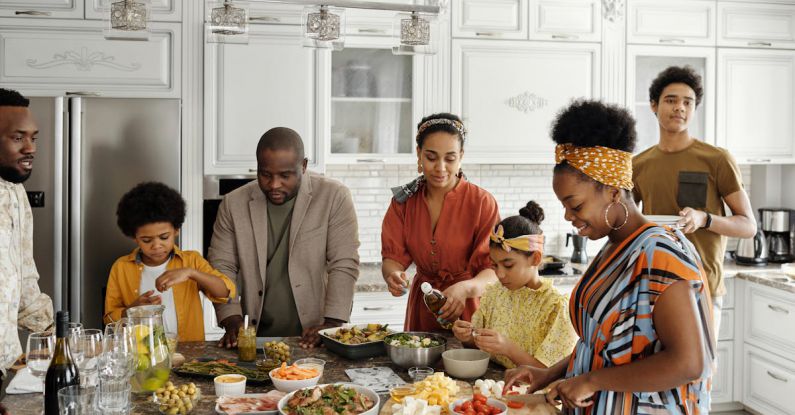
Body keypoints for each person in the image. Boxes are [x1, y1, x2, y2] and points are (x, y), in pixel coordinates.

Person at [505, 100, 715, 414]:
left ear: (613, 192)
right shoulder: (614, 246)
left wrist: (593, 381)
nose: (568, 216)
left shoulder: (662, 256)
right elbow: (601, 345)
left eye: (575, 205)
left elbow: (689, 363)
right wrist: (549, 374)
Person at [209, 127, 360, 348]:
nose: (274, 185)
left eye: (285, 176)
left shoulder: (334, 197)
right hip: (256, 336)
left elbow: (344, 262)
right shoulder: (233, 204)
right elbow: (222, 266)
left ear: (304, 166)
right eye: (265, 174)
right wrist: (230, 318)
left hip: (315, 334)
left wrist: (333, 323)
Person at [633, 66, 756, 334]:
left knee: (700, 373)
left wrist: (705, 218)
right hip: (654, 287)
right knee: (655, 373)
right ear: (654, 106)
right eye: (671, 100)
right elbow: (626, 223)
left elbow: (748, 226)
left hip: (702, 286)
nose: (680, 108)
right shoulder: (639, 165)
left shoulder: (717, 159)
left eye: (687, 102)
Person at [382, 113, 499, 332]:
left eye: (450, 158)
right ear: (419, 154)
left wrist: (464, 289)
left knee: (467, 364)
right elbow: (392, 258)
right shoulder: (403, 203)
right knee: (420, 366)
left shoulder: (482, 203)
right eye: (431, 157)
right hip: (422, 307)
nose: (441, 167)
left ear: (461, 156)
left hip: (470, 309)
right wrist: (393, 275)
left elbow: (493, 271)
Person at [104, 182, 235, 342]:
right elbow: (109, 319)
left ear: (176, 230)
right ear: (134, 237)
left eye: (164, 237)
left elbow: (225, 292)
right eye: (146, 240)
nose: (156, 245)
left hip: (188, 353)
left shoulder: (191, 261)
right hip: (140, 354)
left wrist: (191, 273)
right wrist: (132, 311)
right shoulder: (121, 267)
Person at [452, 201, 577, 369]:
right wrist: (468, 338)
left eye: (508, 265)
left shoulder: (556, 308)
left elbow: (550, 374)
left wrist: (508, 348)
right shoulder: (495, 293)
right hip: (492, 387)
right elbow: (480, 348)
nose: (500, 274)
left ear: (535, 259)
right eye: (494, 265)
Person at [0, 88, 54, 406]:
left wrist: (57, 338)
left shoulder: (16, 195)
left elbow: (23, 283)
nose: (30, 148)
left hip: (7, 367)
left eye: (33, 137)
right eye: (17, 138)